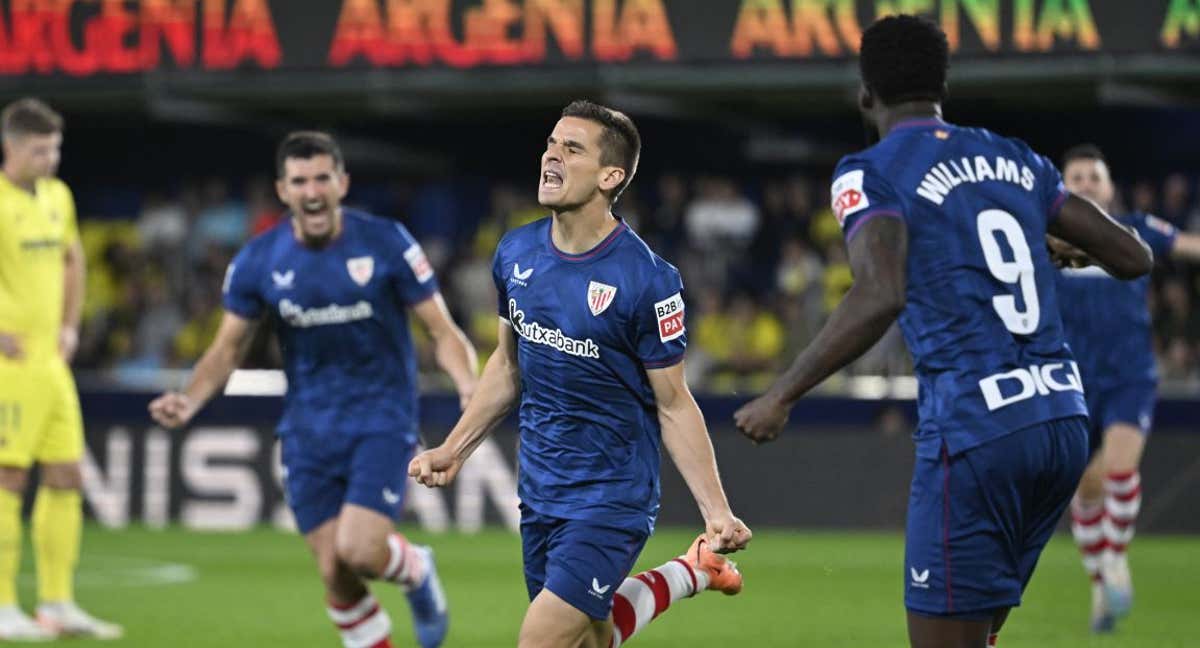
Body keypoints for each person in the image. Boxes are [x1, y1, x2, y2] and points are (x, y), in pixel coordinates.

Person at [733, 15, 1152, 648]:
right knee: (977, 634)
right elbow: (1133, 257)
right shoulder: (1015, 158)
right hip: (1062, 420)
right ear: (943, 86)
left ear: (865, 93)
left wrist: (781, 394)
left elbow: (881, 292)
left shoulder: (868, 171)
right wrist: (1048, 240)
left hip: (978, 432)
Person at [408, 100, 751, 648]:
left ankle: (697, 564)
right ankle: (693, 572)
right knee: (591, 640)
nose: (551, 156)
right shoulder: (515, 252)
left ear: (610, 176)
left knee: (540, 642)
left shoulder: (648, 280)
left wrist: (717, 510)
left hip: (612, 497)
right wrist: (455, 448)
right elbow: (506, 364)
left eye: (572, 148)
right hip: (541, 489)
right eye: (550, 144)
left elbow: (673, 401)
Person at [149, 131, 477, 648]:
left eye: (322, 177)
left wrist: (467, 388)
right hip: (306, 431)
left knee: (362, 550)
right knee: (335, 574)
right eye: (300, 181)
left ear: (342, 182)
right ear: (283, 190)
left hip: (381, 420)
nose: (312, 190)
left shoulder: (386, 241)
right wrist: (189, 398)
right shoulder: (258, 261)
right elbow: (227, 349)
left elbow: (442, 330)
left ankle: (415, 570)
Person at [1056, 144, 1200, 633]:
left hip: (1130, 374)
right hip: (1070, 380)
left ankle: (1114, 559)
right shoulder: (1046, 238)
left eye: (1094, 177)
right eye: (1076, 178)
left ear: (1110, 186)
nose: (1087, 185)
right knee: (1086, 487)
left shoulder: (1136, 229)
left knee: (1118, 468)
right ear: (1062, 186)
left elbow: (1187, 245)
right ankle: (1100, 583)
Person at [0, 98, 123, 640]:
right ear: (11, 147)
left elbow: (74, 258)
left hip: (51, 360)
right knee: (8, 476)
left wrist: (71, 326)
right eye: (39, 149)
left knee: (66, 475)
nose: (50, 159)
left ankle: (57, 602)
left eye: (54, 149)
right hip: (9, 362)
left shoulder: (58, 196)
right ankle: (3, 604)